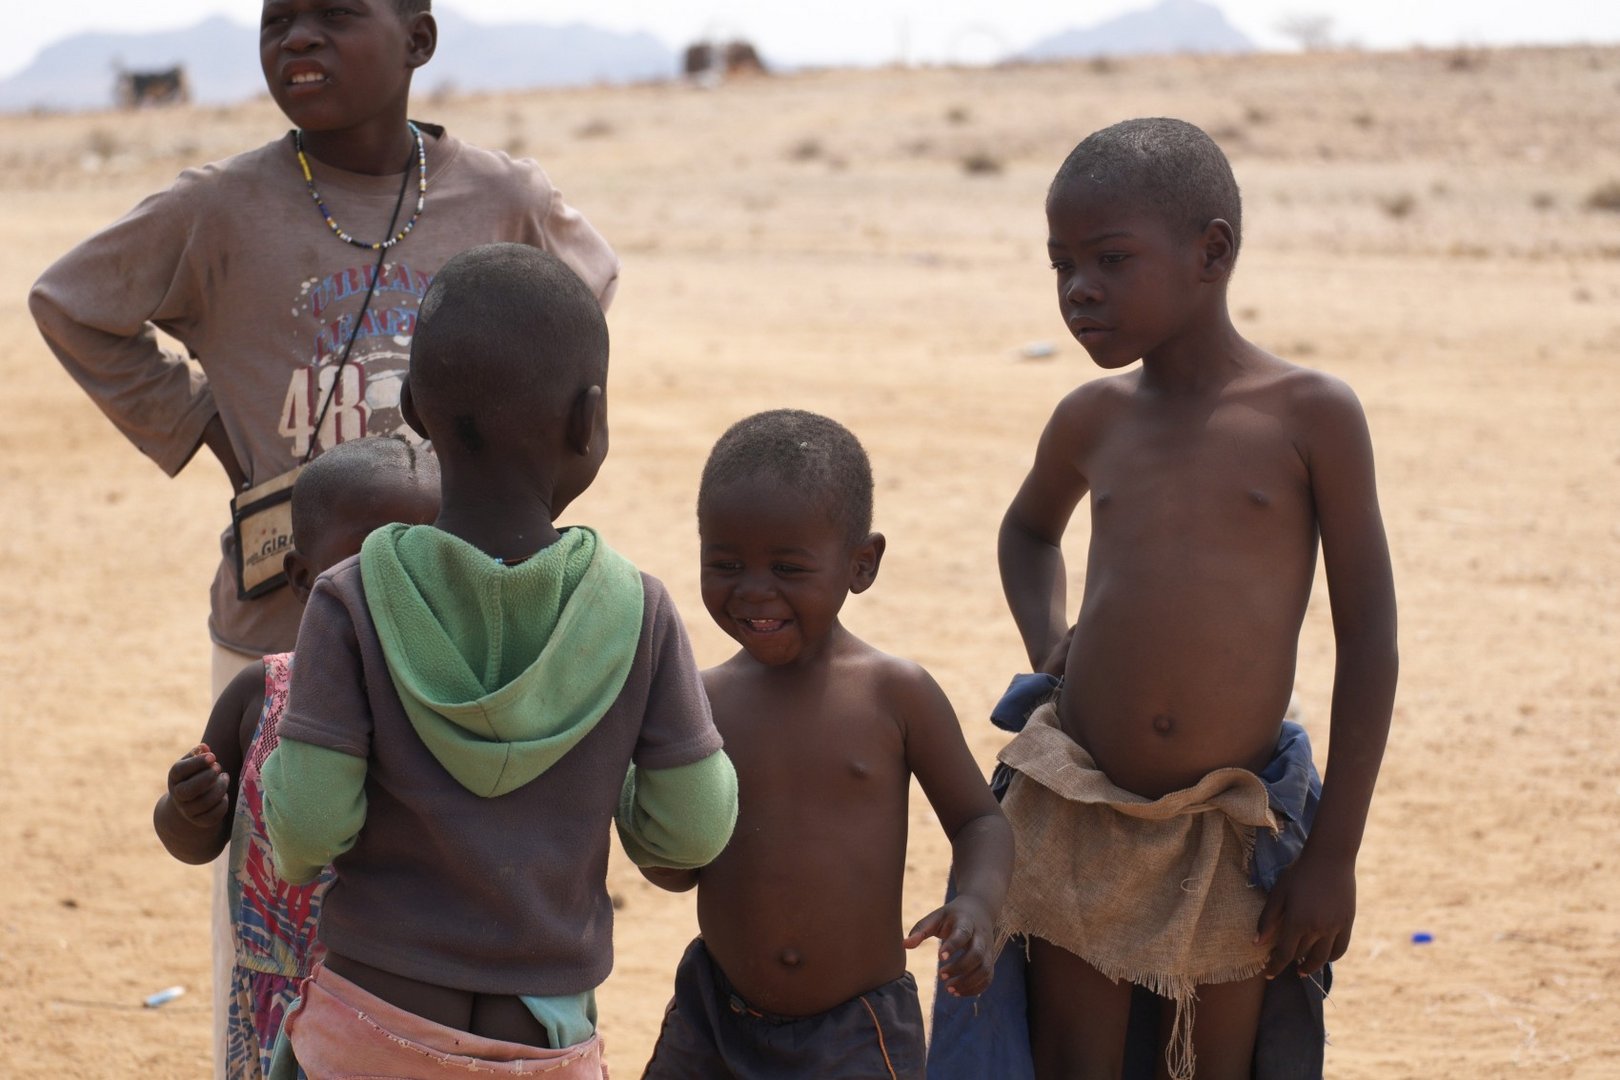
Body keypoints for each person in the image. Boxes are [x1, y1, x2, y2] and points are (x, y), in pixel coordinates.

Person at [29, 2, 618, 1068]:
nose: (297, 38)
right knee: (273, 924)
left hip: (463, 636)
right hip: (280, 625)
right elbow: (71, 299)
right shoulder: (218, 210)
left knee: (440, 924)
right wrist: (208, 430)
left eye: (333, 16)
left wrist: (521, 484)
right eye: (278, 20)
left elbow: (582, 314)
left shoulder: (504, 197)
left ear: (418, 41)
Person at [261, 243, 736, 1077]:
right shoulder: (638, 610)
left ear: (411, 408)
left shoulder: (351, 598)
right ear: (588, 421)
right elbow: (690, 829)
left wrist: (300, 855)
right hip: (540, 1033)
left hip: (371, 1015)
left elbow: (307, 822)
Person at [993, 118, 1397, 1080]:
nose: (1077, 290)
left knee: (1215, 1064)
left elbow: (1370, 637)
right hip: (1081, 805)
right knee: (1073, 1062)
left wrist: (1333, 854)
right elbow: (1027, 531)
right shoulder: (1093, 417)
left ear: (1211, 250)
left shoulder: (1311, 416)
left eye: (1110, 259)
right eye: (1061, 266)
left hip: (1230, 822)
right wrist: (1050, 640)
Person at [640, 409, 1015, 1080]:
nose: (755, 591)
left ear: (861, 564)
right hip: (714, 1018)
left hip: (854, 1030)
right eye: (726, 563)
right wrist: (656, 834)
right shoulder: (698, 702)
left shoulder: (894, 695)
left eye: (787, 567)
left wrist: (978, 904)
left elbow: (980, 819)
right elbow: (676, 869)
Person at [153, 436, 441, 1080]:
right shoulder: (259, 695)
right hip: (277, 1006)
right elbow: (194, 843)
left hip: (406, 1006)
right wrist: (189, 809)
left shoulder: (463, 710)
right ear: (304, 578)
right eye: (372, 559)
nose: (405, 582)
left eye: (433, 558)